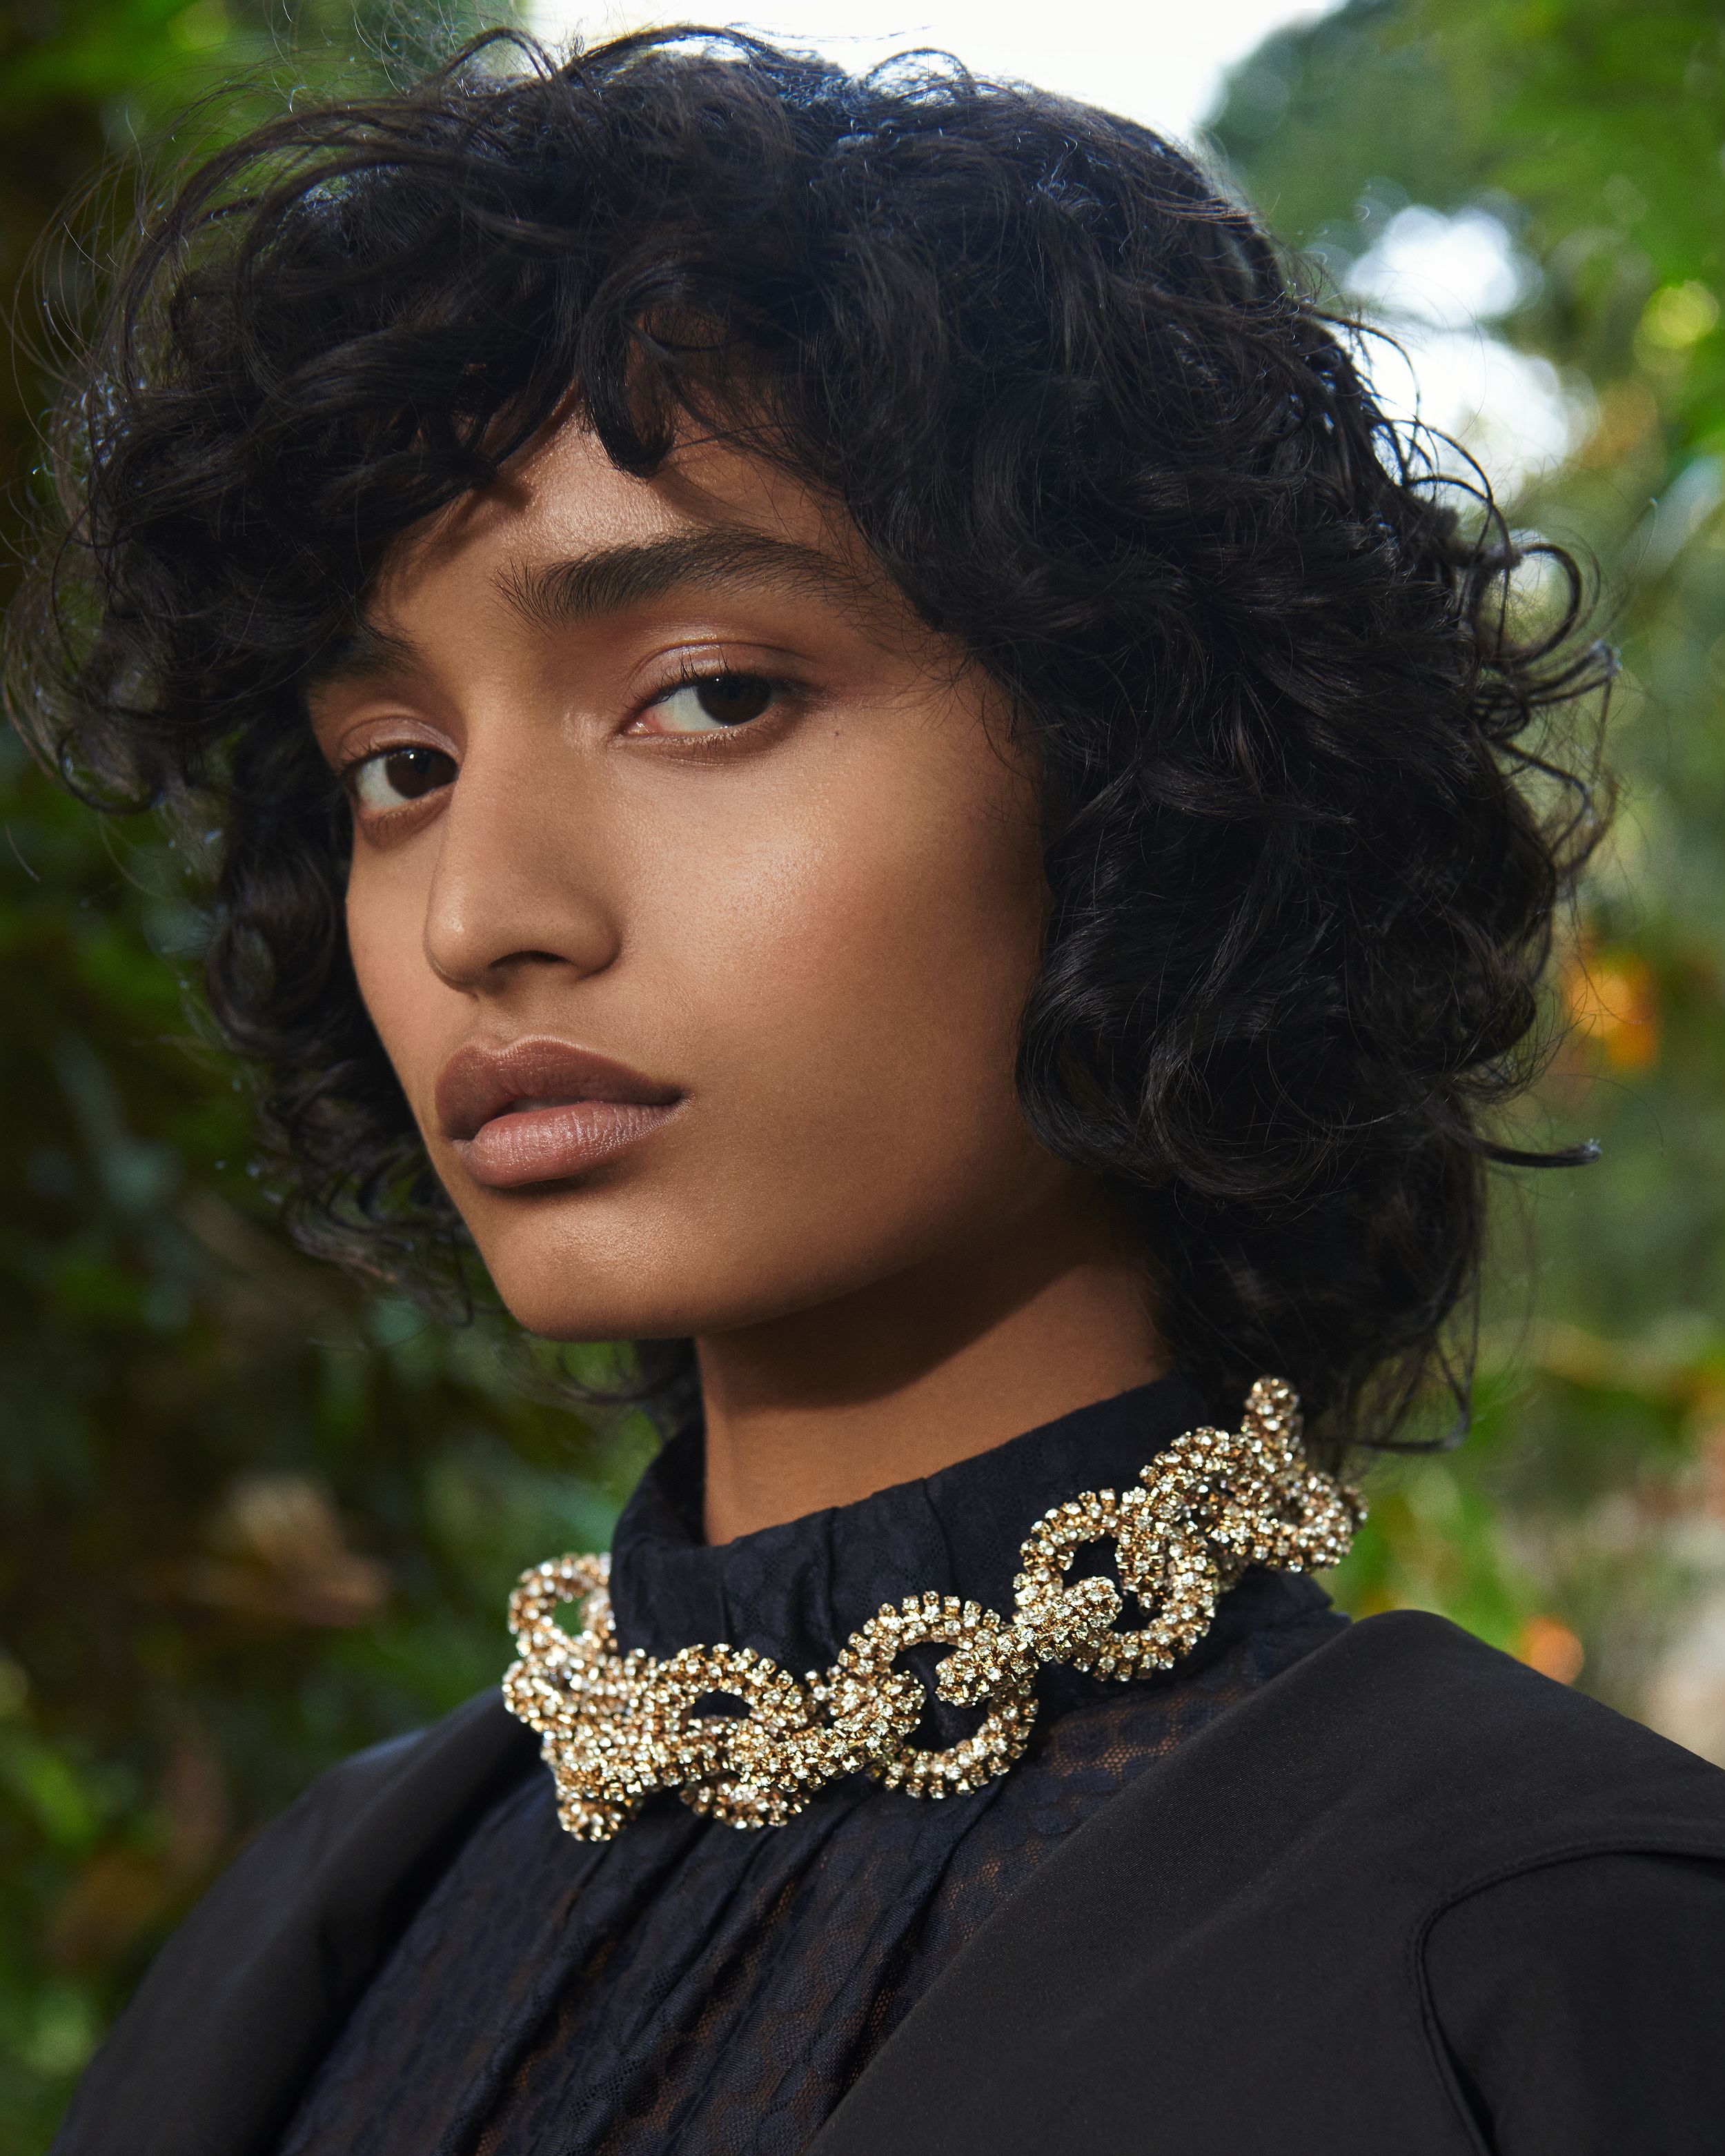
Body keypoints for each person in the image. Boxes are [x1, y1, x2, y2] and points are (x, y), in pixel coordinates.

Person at [15, 28, 1725, 2155]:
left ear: (1151, 774)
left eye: (708, 695)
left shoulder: (1552, 1958)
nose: (479, 913)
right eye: (399, 766)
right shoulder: (297, 1945)